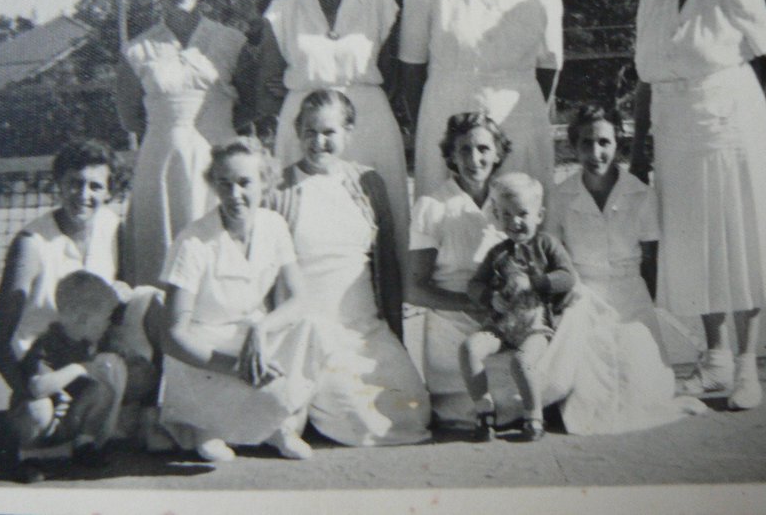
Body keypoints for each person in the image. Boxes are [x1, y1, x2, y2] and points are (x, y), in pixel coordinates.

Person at [629, 0, 766, 410]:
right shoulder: (651, 0)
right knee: (695, 248)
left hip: (733, 139)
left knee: (740, 243)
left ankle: (748, 367)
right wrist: (639, 151)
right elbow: (645, 80)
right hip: (677, 141)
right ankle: (715, 360)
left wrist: (758, 119)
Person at [267, 90, 431, 446]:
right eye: (309, 132)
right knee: (362, 423)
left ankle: (309, 402)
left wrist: (394, 340)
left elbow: (386, 269)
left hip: (366, 330)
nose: (318, 142)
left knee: (414, 411)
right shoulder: (279, 189)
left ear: (349, 132)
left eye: (328, 132)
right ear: (297, 132)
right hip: (314, 334)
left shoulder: (368, 183)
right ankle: (302, 395)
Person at [256, 0, 410, 262]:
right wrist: (304, 91)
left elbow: (393, 75)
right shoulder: (281, 9)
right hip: (303, 127)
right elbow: (268, 82)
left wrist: (353, 98)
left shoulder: (382, 5)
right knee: (304, 223)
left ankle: (385, 312)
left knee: (379, 223)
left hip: (369, 125)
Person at [158, 137, 323, 462]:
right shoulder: (192, 241)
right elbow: (173, 336)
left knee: (307, 325)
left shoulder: (274, 225)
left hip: (252, 339)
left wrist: (261, 330)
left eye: (244, 182)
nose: (234, 195)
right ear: (213, 185)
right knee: (215, 450)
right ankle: (207, 428)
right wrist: (235, 367)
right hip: (205, 351)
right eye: (224, 183)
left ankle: (277, 428)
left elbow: (300, 298)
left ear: (265, 182)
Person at [399, 0, 563, 201]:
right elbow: (411, 67)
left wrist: (524, 117)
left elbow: (549, 67)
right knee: (448, 220)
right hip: (445, 119)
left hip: (519, 120)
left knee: (518, 215)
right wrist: (432, 129)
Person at [116, 0, 249, 287]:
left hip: (218, 162)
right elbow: (130, 118)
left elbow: (251, 103)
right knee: (160, 266)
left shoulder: (232, 41)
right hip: (161, 167)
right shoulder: (137, 49)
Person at [0, 139, 124, 418]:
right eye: (75, 183)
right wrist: (29, 390)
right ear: (59, 184)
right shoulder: (31, 244)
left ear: (109, 192)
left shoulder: (113, 227)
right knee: (36, 423)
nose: (83, 194)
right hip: (40, 361)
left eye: (95, 186)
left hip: (87, 361)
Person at [406, 111, 512, 427]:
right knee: (468, 407)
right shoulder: (433, 206)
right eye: (464, 149)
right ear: (451, 154)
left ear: (497, 153)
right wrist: (473, 304)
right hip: (450, 329)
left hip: (497, 325)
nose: (474, 159)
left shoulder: (508, 200)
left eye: (483, 149)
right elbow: (414, 288)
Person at [460, 173, 576, 443]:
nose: (515, 222)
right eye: (506, 215)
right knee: (469, 348)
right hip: (502, 325)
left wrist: (536, 282)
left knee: (522, 361)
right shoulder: (498, 252)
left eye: (523, 213)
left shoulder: (546, 244)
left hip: (536, 325)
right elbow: (474, 285)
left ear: (539, 214)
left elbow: (567, 277)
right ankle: (484, 409)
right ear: (498, 217)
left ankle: (533, 415)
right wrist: (490, 297)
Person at [548, 104, 667, 361]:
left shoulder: (641, 195)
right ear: (573, 145)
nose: (595, 153)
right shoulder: (559, 197)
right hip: (581, 299)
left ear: (617, 143)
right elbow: (556, 261)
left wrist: (647, 307)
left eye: (604, 142)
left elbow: (650, 262)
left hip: (632, 299)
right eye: (586, 143)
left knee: (641, 380)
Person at [7, 271, 127, 480]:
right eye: (105, 319)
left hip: (66, 418)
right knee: (37, 407)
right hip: (41, 419)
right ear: (82, 319)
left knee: (102, 390)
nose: (108, 324)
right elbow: (38, 388)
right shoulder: (48, 343)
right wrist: (79, 369)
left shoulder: (85, 341)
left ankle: (83, 444)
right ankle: (30, 456)